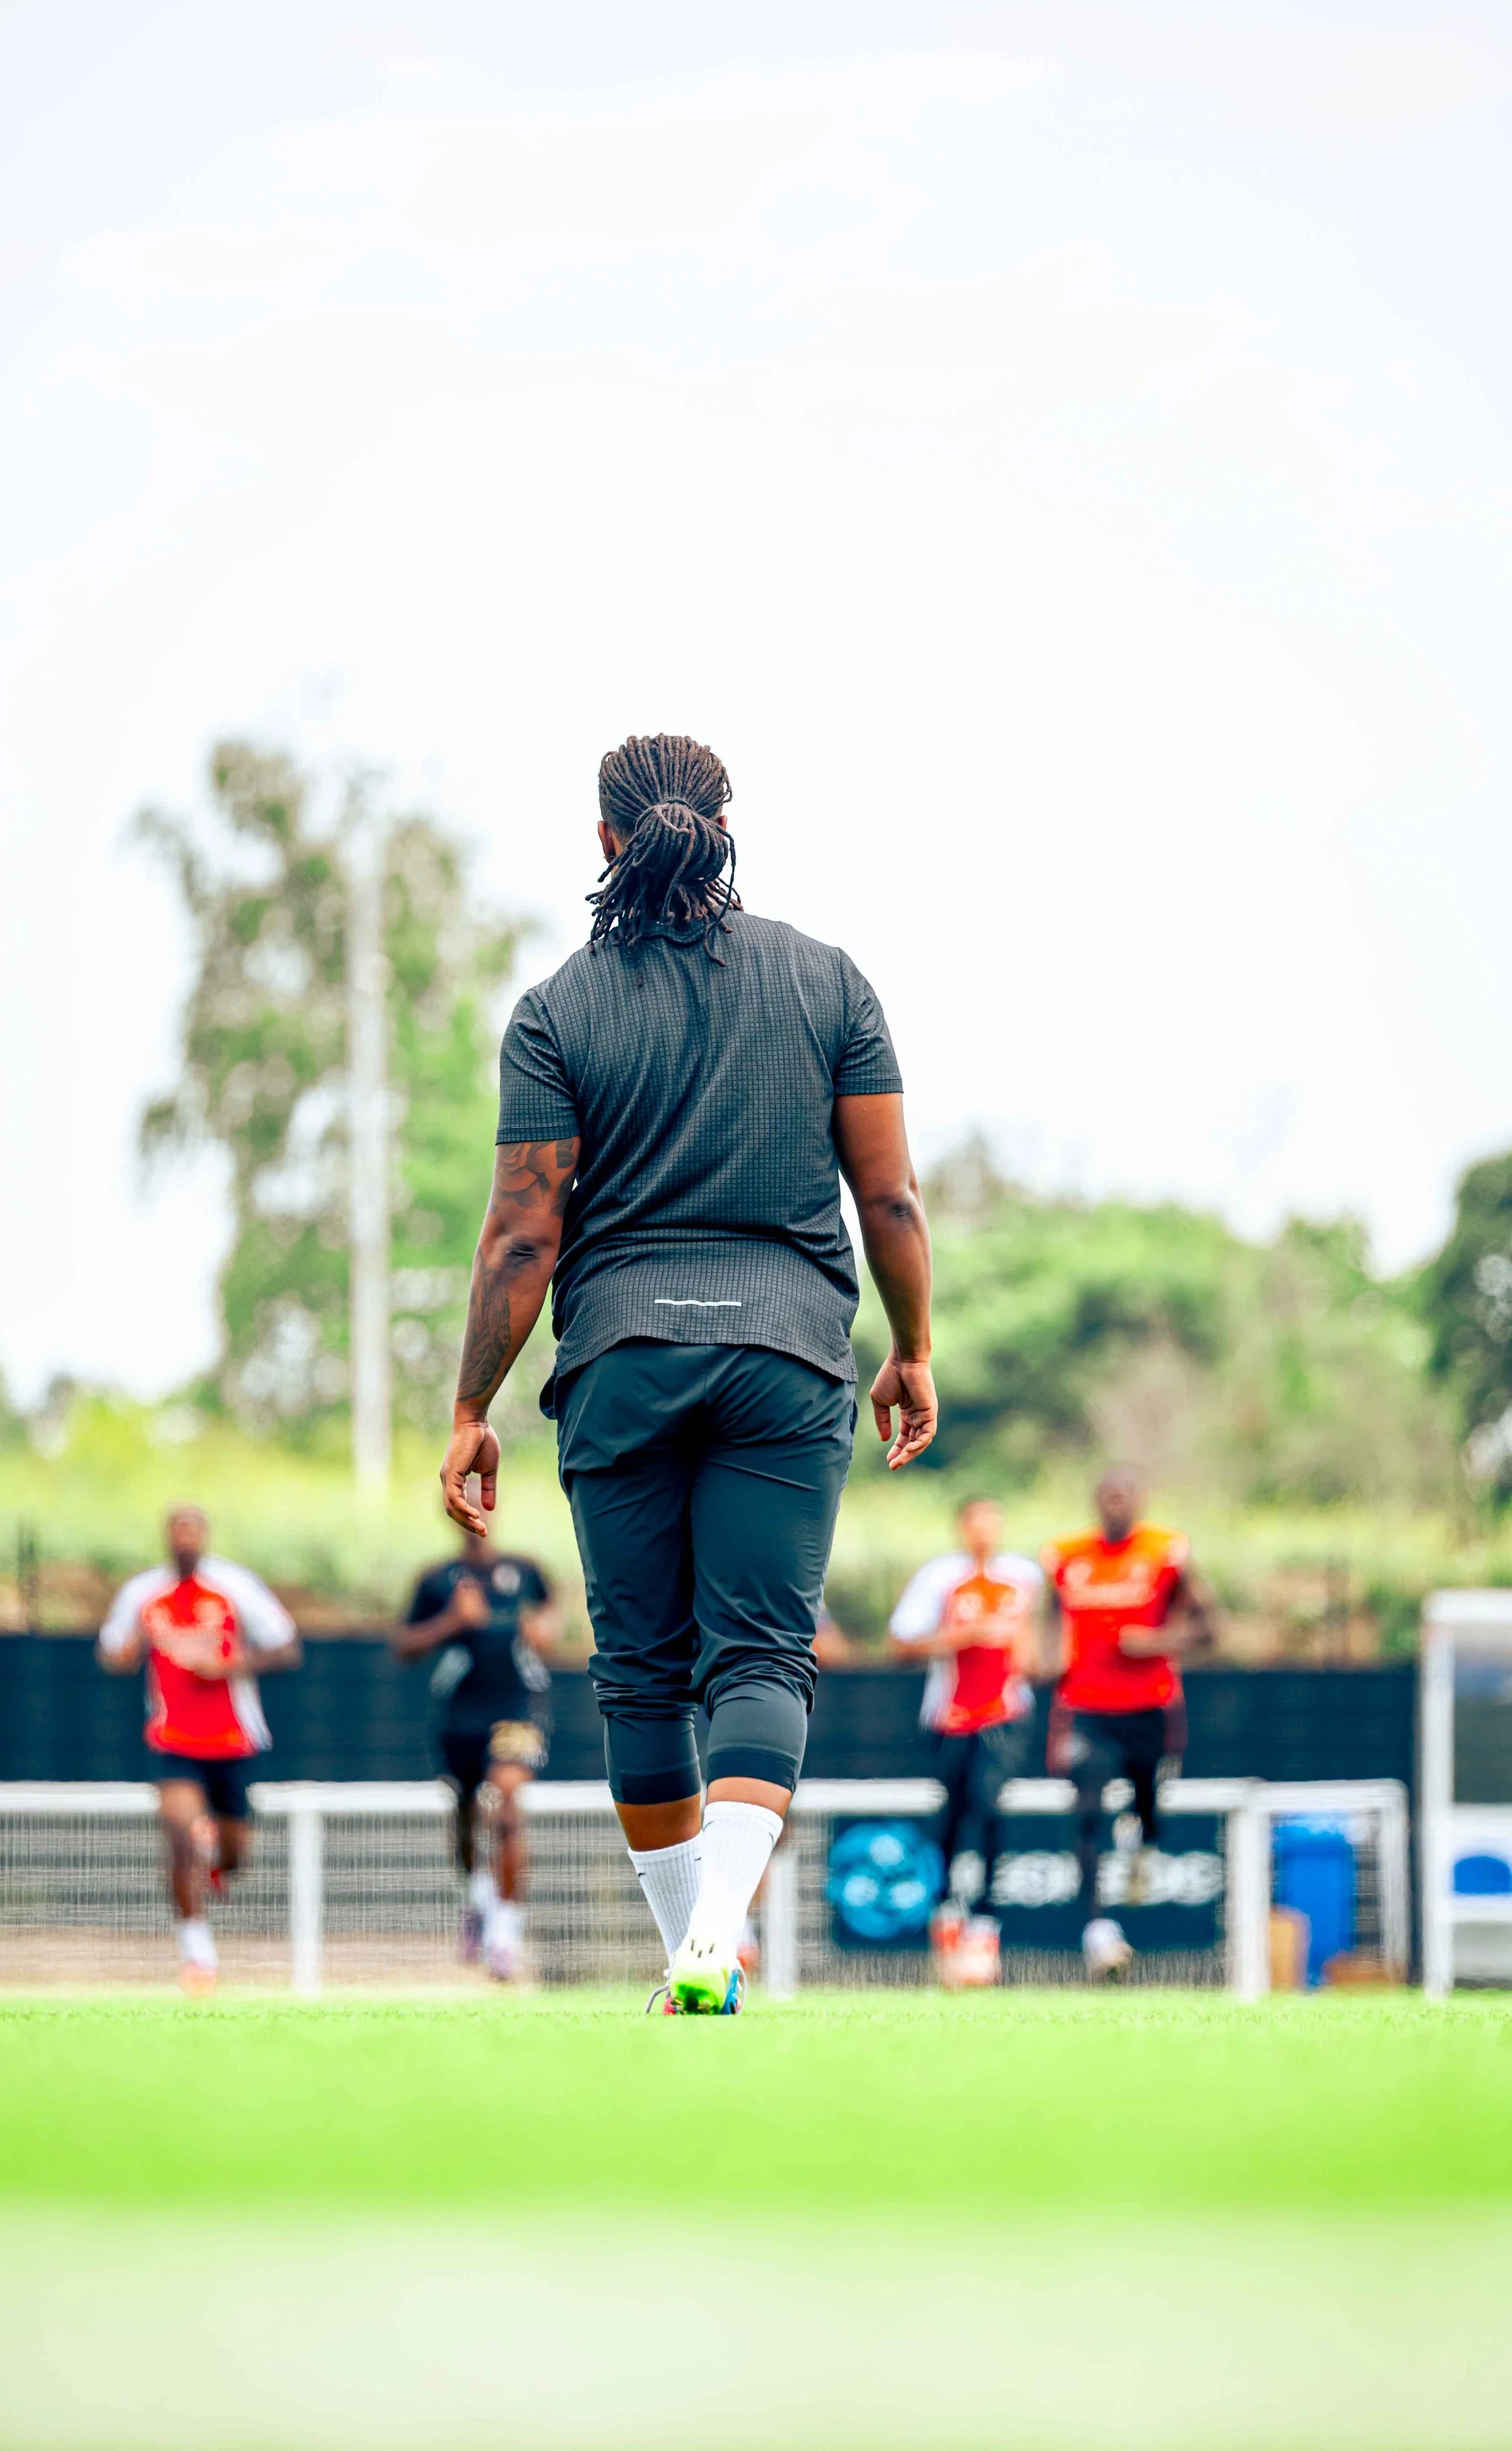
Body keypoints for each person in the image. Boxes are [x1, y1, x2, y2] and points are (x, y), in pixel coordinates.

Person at [436, 732, 936, 2014]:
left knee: (643, 1672)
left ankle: (694, 1953)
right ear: (727, 826)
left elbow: (523, 1235)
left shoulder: (557, 1010)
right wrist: (911, 1348)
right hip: (787, 1357)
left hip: (621, 1360)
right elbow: (888, 1196)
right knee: (762, 1655)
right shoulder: (827, 982)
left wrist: (471, 1407)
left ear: (604, 840)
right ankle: (714, 1943)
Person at [98, 1505, 300, 1993]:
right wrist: (125, 1654)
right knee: (179, 1835)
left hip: (233, 1738)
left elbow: (286, 1648)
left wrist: (231, 1666)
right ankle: (198, 1956)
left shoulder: (234, 1586)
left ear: (205, 1537)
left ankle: (217, 1855)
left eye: (192, 1532)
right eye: (177, 1532)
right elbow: (112, 1651)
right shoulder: (144, 1592)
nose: (184, 1541)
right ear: (167, 1537)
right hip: (174, 1738)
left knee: (234, 1856)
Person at [1043, 1465, 1216, 1980]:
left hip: (1149, 1705)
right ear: (1096, 1502)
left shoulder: (1165, 1552)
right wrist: (1046, 1657)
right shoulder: (1067, 1557)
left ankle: (1144, 1841)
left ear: (1140, 1501)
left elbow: (1210, 1627)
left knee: (1147, 1803)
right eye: (1108, 1496)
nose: (1116, 1503)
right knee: (1087, 1810)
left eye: (1124, 1496)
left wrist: (1156, 1642)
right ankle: (1098, 1932)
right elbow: (1048, 1618)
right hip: (1086, 1706)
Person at [888, 1497, 1043, 1984]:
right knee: (954, 1813)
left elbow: (1037, 1647)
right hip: (951, 1717)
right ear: (961, 1527)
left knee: (990, 1803)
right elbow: (902, 1643)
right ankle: (947, 1914)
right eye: (976, 1523)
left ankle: (985, 1920)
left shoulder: (1023, 1575)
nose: (984, 1532)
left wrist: (1026, 1654)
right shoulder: (940, 1577)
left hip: (1005, 1715)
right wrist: (960, 1638)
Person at [393, 1529, 558, 1980]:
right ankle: (478, 1900)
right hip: (460, 1716)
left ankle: (505, 1935)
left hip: (517, 1710)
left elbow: (552, 1610)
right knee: (467, 1815)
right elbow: (403, 1646)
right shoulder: (437, 1579)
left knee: (506, 1799)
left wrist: (545, 1628)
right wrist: (453, 1621)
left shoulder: (524, 1570)